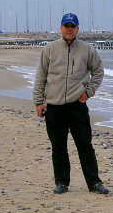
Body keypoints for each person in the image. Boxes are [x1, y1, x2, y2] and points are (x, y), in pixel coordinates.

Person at [33, 13, 109, 195]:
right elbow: (40, 77)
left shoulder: (87, 49)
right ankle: (61, 182)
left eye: (72, 26)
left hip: (77, 105)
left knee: (85, 145)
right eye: (66, 26)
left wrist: (87, 92)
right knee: (58, 147)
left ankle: (94, 182)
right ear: (60, 28)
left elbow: (98, 71)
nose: (69, 29)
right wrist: (38, 102)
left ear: (77, 29)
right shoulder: (49, 49)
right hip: (54, 106)